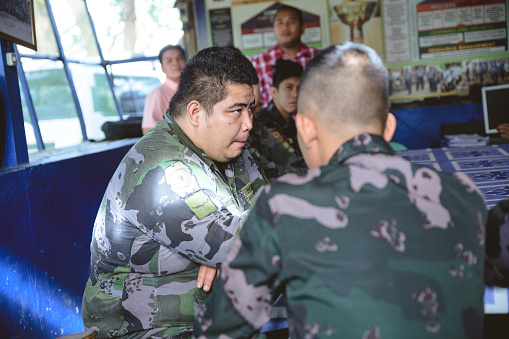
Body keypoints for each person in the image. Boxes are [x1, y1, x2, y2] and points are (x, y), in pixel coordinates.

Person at [194, 42, 487, 338]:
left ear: (306, 128)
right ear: (388, 127)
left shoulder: (285, 205)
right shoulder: (464, 195)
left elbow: (220, 331)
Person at [82, 47, 267, 338]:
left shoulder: (229, 147)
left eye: (251, 108)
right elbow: (258, 246)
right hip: (146, 328)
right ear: (196, 112)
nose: (249, 123)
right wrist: (229, 248)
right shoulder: (162, 170)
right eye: (236, 110)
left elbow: (264, 207)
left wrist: (223, 255)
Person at [250, 4, 319, 108]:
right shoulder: (258, 62)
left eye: (291, 22)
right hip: (272, 123)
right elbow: (254, 105)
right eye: (280, 23)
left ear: (303, 27)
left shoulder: (320, 58)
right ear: (273, 29)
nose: (285, 27)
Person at [249, 58, 306, 180]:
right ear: (274, 91)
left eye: (299, 88)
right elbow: (293, 162)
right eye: (289, 87)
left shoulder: (293, 124)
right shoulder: (261, 123)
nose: (295, 94)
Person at [141, 45, 186, 135]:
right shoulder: (157, 95)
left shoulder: (194, 89)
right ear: (162, 68)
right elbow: (148, 132)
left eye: (179, 58)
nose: (175, 63)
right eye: (169, 60)